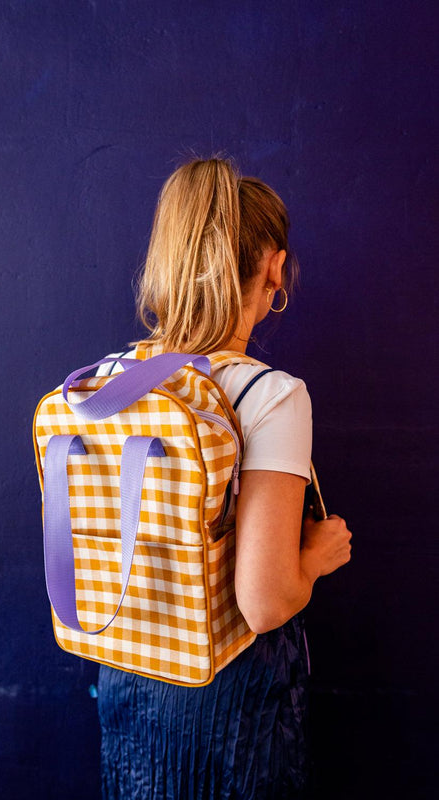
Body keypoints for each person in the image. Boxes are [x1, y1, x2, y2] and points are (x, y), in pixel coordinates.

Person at [95, 156, 352, 800]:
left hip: (127, 675)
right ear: (273, 266)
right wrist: (317, 558)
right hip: (230, 710)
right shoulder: (270, 395)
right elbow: (263, 604)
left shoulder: (115, 380)